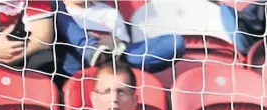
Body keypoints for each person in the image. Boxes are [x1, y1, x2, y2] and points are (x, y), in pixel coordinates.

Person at [54, 0, 185, 80]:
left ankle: (105, 56)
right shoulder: (57, 11)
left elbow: (122, 44)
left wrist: (110, 44)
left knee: (174, 42)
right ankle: (93, 51)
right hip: (78, 65)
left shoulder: (109, 13)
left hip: (117, 59)